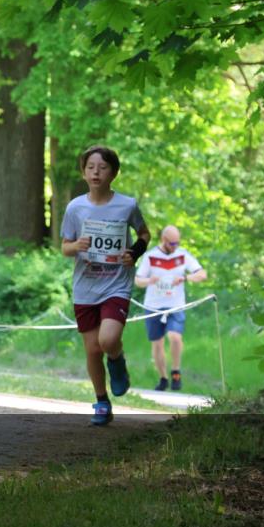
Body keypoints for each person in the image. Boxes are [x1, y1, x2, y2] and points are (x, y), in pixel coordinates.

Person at [61, 145, 150, 426]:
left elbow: (144, 234)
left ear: (113, 172)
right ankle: (101, 400)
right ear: (83, 172)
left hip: (116, 284)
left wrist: (134, 252)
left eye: (102, 167)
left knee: (107, 340)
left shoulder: (127, 205)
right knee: (92, 350)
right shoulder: (75, 207)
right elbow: (64, 247)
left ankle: (117, 358)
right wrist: (77, 245)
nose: (96, 172)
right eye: (90, 167)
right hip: (85, 286)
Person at [135, 225, 208, 391]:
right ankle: (163, 378)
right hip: (153, 305)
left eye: (177, 243)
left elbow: (202, 274)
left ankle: (175, 371)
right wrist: (149, 281)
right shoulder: (150, 256)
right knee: (157, 343)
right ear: (163, 240)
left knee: (175, 337)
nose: (175, 247)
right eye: (172, 244)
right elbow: (138, 280)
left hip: (175, 305)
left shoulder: (182, 255)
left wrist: (185, 278)